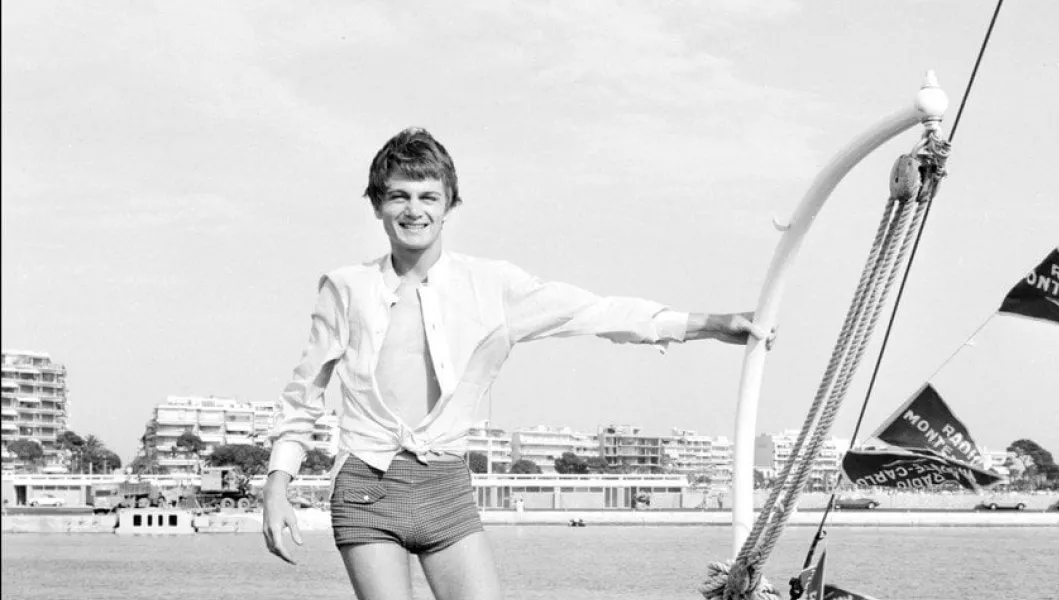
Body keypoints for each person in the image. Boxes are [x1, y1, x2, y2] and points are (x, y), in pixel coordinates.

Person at [260, 127, 774, 600]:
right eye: (398, 195)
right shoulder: (345, 288)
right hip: (367, 489)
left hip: (446, 489)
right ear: (377, 205)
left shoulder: (492, 286)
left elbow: (594, 311)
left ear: (449, 205)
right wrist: (277, 488)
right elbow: (303, 395)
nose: (413, 210)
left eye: (427, 197)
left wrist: (706, 324)